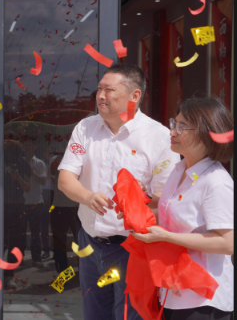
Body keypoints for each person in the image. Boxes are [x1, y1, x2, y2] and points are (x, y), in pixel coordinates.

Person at [58, 63, 181, 320]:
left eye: (109, 90)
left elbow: (167, 200)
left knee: (129, 315)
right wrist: (88, 197)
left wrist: (138, 199)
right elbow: (65, 179)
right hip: (90, 244)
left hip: (133, 247)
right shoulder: (85, 128)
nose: (101, 96)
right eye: (99, 89)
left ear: (134, 95)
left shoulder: (159, 137)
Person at [129, 97, 233, 320]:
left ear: (206, 133)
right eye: (173, 123)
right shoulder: (179, 170)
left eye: (181, 126)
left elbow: (227, 243)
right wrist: (136, 210)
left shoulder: (216, 181)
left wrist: (166, 237)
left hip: (203, 298)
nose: (172, 132)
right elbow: (171, 216)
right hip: (174, 289)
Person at [3, 139, 31, 288]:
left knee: (15, 242)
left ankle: (9, 275)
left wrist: (18, 177)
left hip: (17, 207)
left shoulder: (23, 163)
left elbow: (27, 187)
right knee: (0, 242)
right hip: (0, 206)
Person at [49, 151, 82, 275]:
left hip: (75, 207)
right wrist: (59, 161)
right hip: (59, 207)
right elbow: (52, 173)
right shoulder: (56, 161)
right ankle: (62, 272)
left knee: (80, 241)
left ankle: (83, 272)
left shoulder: (79, 162)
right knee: (59, 242)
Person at [23, 140, 46, 268]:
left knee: (35, 233)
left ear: (34, 148)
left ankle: (36, 259)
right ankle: (18, 259)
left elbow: (43, 181)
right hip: (22, 202)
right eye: (25, 146)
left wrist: (31, 172)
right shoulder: (20, 162)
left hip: (36, 202)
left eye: (29, 146)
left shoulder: (40, 163)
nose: (27, 149)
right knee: (19, 232)